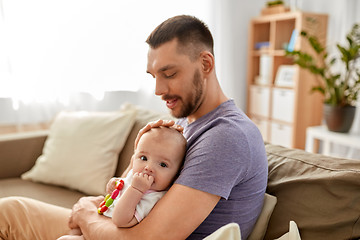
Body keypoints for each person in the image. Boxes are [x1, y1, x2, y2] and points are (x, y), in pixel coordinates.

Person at [0, 15, 268, 240]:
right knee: (10, 210)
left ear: (206, 64)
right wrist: (139, 152)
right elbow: (124, 191)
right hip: (122, 224)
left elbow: (148, 238)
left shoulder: (227, 136)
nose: (159, 90)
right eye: (154, 76)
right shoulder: (182, 124)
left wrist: (86, 216)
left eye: (170, 74)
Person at [57, 127, 187, 240]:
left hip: (106, 233)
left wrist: (136, 190)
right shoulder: (137, 177)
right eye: (143, 158)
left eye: (163, 164)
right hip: (97, 225)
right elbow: (121, 186)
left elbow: (120, 220)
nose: (148, 167)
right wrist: (114, 184)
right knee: (70, 230)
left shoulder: (153, 199)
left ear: (176, 174)